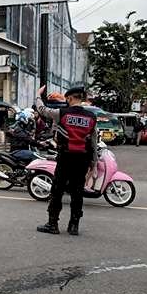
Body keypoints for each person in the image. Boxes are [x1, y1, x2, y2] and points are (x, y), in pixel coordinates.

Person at [35, 86, 98, 236]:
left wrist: (38, 95)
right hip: (82, 159)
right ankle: (74, 226)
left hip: (65, 157)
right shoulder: (91, 117)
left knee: (57, 190)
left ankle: (52, 224)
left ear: (69, 98)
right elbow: (93, 141)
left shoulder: (61, 113)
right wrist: (93, 162)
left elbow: (42, 110)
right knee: (77, 192)